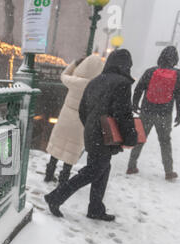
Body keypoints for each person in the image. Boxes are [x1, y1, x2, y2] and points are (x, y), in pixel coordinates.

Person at [44, 49, 138, 222]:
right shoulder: (122, 83)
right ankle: (55, 197)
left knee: (102, 168)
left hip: (92, 133)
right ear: (126, 65)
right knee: (93, 171)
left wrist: (91, 126)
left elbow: (83, 109)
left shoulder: (95, 81)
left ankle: (95, 208)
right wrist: (131, 137)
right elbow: (122, 114)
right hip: (105, 135)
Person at [126, 46, 180, 180]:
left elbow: (138, 89)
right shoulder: (179, 75)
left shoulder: (150, 71)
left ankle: (131, 166)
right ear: (175, 59)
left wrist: (135, 104)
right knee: (165, 141)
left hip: (147, 111)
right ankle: (169, 171)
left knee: (140, 138)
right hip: (164, 115)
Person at [45, 55, 105, 184]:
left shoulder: (73, 81)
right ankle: (64, 178)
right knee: (72, 149)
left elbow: (64, 75)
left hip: (65, 118)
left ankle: (49, 172)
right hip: (80, 122)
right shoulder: (98, 87)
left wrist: (74, 63)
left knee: (58, 144)